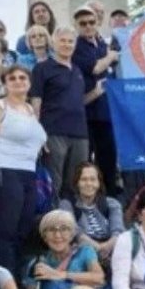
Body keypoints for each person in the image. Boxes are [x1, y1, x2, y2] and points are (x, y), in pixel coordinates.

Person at [0, 65, 48, 274]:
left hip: (28, 173)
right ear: (5, 83)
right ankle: (7, 286)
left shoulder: (30, 110)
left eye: (22, 77)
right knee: (5, 232)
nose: (18, 81)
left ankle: (15, 278)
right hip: (2, 170)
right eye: (12, 78)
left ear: (29, 82)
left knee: (23, 229)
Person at [33, 27, 92, 199]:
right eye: (63, 40)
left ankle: (73, 221)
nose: (67, 44)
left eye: (70, 41)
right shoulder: (42, 68)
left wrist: (97, 91)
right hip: (53, 133)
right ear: (53, 43)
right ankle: (53, 222)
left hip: (80, 134)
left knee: (77, 183)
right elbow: (36, 103)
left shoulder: (77, 70)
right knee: (53, 183)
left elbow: (78, 101)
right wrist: (38, 135)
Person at [73, 5, 121, 196]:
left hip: (106, 112)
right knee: (85, 161)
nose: (87, 26)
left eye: (91, 22)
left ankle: (109, 197)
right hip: (86, 112)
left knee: (108, 158)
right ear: (76, 25)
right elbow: (96, 68)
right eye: (83, 23)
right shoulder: (77, 46)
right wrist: (110, 56)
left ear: (97, 23)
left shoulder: (102, 44)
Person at [60, 162, 125, 262]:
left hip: (110, 248)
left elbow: (118, 231)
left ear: (99, 183)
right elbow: (74, 232)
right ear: (77, 183)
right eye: (84, 179)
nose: (89, 183)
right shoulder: (66, 204)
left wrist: (106, 247)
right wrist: (98, 248)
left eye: (93, 179)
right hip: (81, 250)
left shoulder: (112, 203)